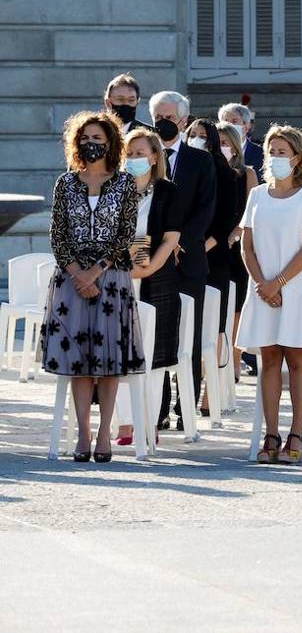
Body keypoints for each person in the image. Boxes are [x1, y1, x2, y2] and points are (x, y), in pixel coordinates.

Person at [39, 112, 146, 462]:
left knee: (109, 362)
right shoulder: (65, 183)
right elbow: (58, 236)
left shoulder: (125, 183)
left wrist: (95, 273)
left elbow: (125, 237)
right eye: (86, 138)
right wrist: (77, 275)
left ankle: (105, 435)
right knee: (79, 363)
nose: (92, 144)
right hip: (71, 282)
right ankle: (83, 434)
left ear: (111, 142)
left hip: (111, 279)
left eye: (98, 138)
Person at [237, 125, 302, 464]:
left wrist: (280, 282)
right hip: (261, 289)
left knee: (296, 358)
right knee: (269, 359)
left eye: (282, 152)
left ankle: (297, 433)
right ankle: (270, 433)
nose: (275, 158)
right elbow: (247, 245)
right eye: (271, 152)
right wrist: (263, 283)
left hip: (296, 287)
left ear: (298, 157)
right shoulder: (257, 195)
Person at [149, 91, 216, 430]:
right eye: (158, 115)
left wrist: (180, 243)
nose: (164, 122)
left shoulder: (200, 160)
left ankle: (184, 408)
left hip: (188, 260)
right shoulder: (142, 157)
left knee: (188, 336)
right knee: (157, 335)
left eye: (170, 117)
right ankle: (157, 408)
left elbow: (206, 208)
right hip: (151, 262)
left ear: (184, 120)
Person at [113, 128, 182, 445]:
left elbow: (170, 238)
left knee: (153, 357)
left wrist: (147, 268)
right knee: (119, 352)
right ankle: (125, 424)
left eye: (141, 153)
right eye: (130, 153)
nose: (135, 159)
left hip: (157, 278)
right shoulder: (115, 189)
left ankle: (150, 421)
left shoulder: (168, 191)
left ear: (155, 157)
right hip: (118, 277)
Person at [185, 118, 241, 418]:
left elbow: (224, 224)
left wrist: (196, 250)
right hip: (183, 258)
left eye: (202, 136)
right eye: (191, 134)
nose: (196, 139)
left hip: (214, 259)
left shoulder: (226, 174)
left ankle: (211, 392)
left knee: (214, 328)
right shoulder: (181, 169)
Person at [217, 122, 258, 382]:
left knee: (236, 310)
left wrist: (235, 233)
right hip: (212, 248)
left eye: (225, 142)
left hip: (235, 248)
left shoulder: (246, 173)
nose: (220, 148)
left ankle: (234, 359)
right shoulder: (207, 170)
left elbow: (251, 211)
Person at [217, 102, 264, 179]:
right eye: (225, 121)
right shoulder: (215, 151)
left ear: (246, 126)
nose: (229, 125)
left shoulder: (261, 154)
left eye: (234, 121)